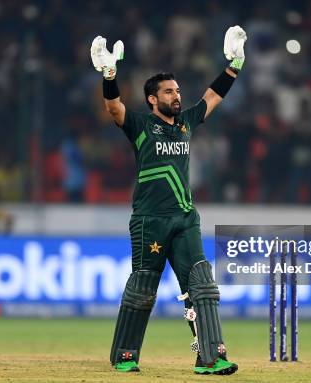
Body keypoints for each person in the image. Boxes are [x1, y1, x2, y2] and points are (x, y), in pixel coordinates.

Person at [90, 26, 246, 375]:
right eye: (169, 92)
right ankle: (125, 357)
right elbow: (114, 108)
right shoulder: (141, 125)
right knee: (143, 288)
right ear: (152, 99)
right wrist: (110, 75)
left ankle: (210, 358)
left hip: (186, 218)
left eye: (177, 91)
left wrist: (234, 65)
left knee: (202, 285)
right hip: (150, 220)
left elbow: (212, 98)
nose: (177, 96)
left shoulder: (186, 122)